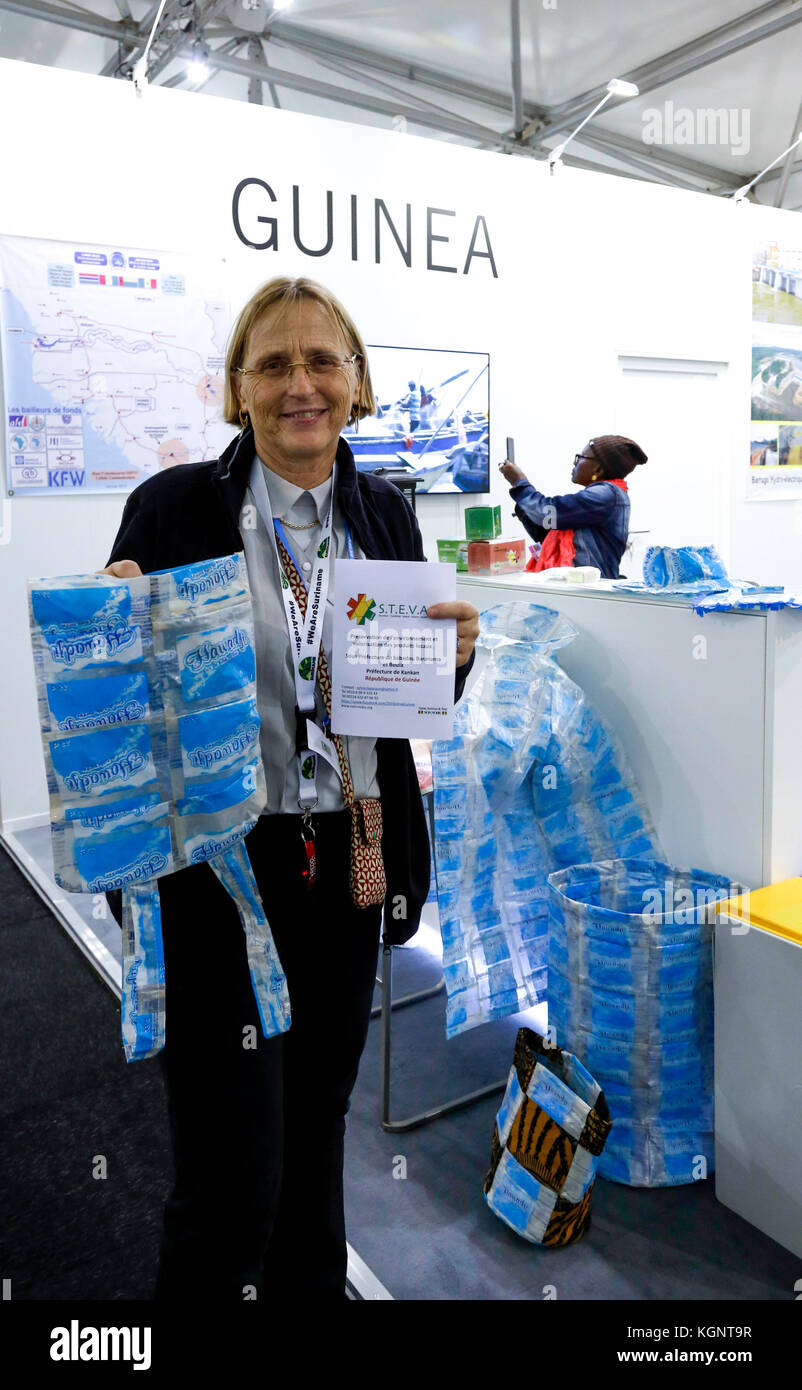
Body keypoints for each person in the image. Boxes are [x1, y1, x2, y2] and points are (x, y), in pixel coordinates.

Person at [99, 275, 480, 1302]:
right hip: (220, 872)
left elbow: (394, 704)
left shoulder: (384, 512)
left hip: (348, 857)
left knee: (316, 1144)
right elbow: (113, 695)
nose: (299, 383)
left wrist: (448, 662)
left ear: (357, 383)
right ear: (236, 388)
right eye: (273, 363)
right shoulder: (178, 506)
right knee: (233, 1176)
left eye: (322, 361)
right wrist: (106, 627)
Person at [499, 435, 647, 580]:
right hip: (578, 587)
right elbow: (547, 530)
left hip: (589, 591)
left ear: (598, 469)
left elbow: (546, 514)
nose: (575, 463)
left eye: (581, 457)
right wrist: (526, 509)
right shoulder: (605, 494)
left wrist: (519, 482)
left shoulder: (606, 494)